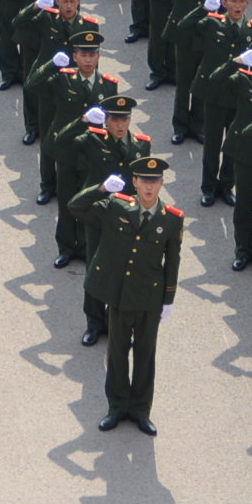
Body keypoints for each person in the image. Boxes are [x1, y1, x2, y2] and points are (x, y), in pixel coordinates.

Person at [73, 155, 183, 433]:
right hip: (120, 296)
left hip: (149, 297)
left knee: (145, 355)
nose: (149, 187)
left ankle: (141, 409)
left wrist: (168, 299)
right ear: (134, 182)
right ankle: (117, 406)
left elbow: (172, 261)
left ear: (161, 183)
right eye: (144, 181)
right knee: (118, 353)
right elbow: (76, 207)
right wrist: (100, 189)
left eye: (154, 181)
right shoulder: (116, 206)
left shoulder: (171, 219)